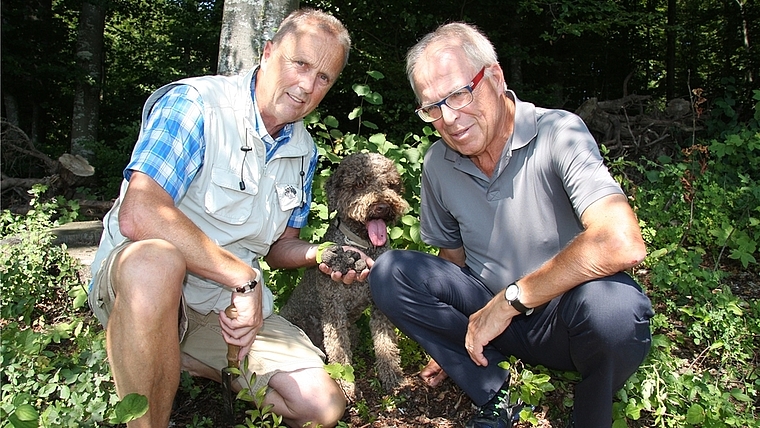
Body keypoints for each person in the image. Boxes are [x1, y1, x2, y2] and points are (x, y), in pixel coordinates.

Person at [87, 9, 363, 428]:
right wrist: (243, 277)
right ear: (268, 52)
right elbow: (139, 213)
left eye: (324, 77)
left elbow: (277, 248)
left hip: (225, 304)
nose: (308, 85)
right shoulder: (197, 105)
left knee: (320, 407)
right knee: (155, 261)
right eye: (300, 63)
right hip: (147, 288)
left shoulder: (304, 152)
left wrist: (322, 252)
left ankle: (177, 358)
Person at [369, 22, 654, 428]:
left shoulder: (558, 132)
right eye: (433, 107)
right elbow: (450, 260)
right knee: (390, 272)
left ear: (496, 78)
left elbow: (622, 242)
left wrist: (511, 301)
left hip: (567, 320)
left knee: (616, 311)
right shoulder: (438, 163)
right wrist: (448, 338)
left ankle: (591, 412)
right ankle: (496, 392)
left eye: (459, 94)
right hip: (491, 318)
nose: (449, 118)